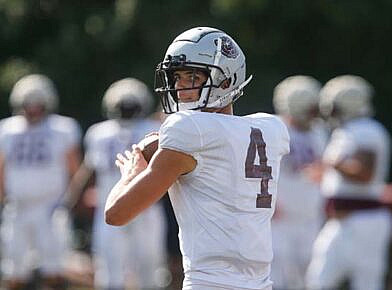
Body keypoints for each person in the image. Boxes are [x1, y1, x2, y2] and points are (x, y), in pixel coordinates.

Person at [105, 26, 290, 290]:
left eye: (192, 76)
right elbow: (221, 141)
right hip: (260, 284)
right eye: (177, 77)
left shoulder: (187, 129)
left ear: (226, 80)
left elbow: (116, 214)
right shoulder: (271, 128)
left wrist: (131, 173)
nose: (180, 87)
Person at [68, 78, 167, 289]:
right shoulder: (153, 129)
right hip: (137, 206)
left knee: (137, 269)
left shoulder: (100, 132)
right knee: (137, 270)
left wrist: (72, 201)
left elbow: (88, 172)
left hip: (118, 206)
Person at [306, 75, 392, 290]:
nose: (330, 114)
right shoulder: (348, 131)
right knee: (317, 281)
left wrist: (335, 164)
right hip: (342, 221)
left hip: (364, 220)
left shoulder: (366, 130)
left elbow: (365, 173)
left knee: (366, 284)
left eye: (333, 108)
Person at [0, 74, 82, 289]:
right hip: (18, 206)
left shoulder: (62, 128)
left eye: (38, 104)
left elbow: (74, 168)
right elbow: (2, 166)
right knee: (14, 270)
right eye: (28, 104)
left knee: (53, 269)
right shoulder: (8, 129)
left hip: (51, 206)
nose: (33, 109)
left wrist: (72, 201)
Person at [271, 75, 327, 290]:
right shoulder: (274, 127)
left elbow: (323, 169)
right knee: (276, 275)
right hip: (280, 216)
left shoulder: (319, 131)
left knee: (310, 277)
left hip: (311, 214)